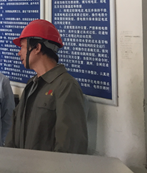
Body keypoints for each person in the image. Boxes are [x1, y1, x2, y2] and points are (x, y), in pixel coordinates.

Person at [5, 19, 88, 154]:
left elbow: (70, 147)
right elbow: (14, 132)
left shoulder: (66, 86)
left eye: (22, 47)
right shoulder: (32, 84)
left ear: (37, 48)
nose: (19, 53)